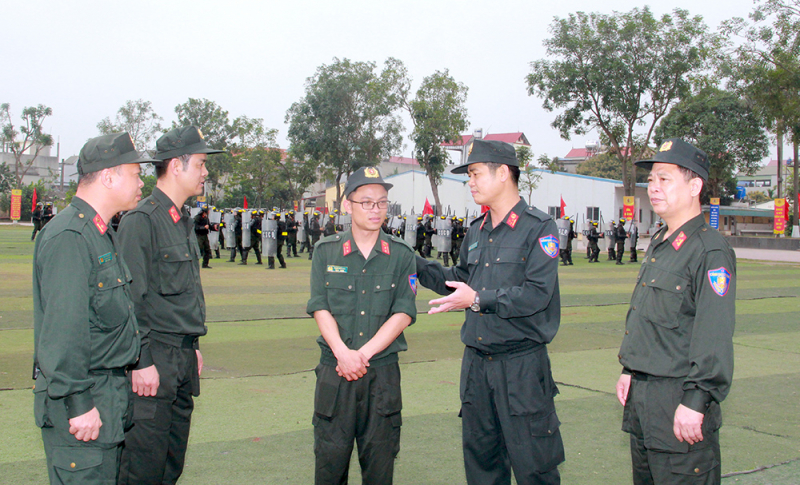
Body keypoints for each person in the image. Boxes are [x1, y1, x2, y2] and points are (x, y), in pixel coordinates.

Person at [416, 139, 565, 485]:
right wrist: (413, 263)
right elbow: (459, 280)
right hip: (477, 367)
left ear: (503, 174)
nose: (470, 182)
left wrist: (478, 300)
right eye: (468, 175)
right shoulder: (476, 230)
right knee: (482, 467)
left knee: (535, 468)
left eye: (475, 173)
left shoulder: (538, 227)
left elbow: (536, 294)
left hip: (520, 367)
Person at [32, 132, 152, 484]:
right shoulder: (71, 236)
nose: (141, 182)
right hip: (83, 405)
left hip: (106, 396)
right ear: (109, 176)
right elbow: (63, 332)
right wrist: (79, 403)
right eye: (135, 173)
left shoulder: (99, 233)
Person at [616, 138, 736, 485]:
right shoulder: (661, 242)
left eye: (664, 179)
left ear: (694, 186)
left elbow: (714, 332)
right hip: (644, 398)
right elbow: (649, 317)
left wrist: (696, 401)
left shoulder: (709, 250)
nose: (653, 187)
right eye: (651, 179)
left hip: (679, 400)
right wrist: (630, 368)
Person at [116, 126, 223, 485]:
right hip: (154, 360)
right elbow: (129, 302)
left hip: (181, 358)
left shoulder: (180, 220)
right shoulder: (142, 221)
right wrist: (140, 361)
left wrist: (193, 345)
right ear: (177, 166)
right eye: (201, 163)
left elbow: (183, 295)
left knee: (169, 467)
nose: (205, 172)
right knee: (142, 469)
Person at [307, 166, 417, 485]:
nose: (375, 210)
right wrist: (343, 354)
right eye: (366, 202)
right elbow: (319, 306)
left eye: (381, 202)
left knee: (380, 470)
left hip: (381, 376)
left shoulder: (402, 255)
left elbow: (403, 313)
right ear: (348, 205)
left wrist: (361, 356)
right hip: (335, 374)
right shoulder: (326, 251)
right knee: (329, 468)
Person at [194, 204, 212, 268]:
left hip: (205, 235)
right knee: (198, 249)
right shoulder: (197, 217)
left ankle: (205, 264)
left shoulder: (206, 218)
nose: (209, 211)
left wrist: (214, 227)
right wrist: (203, 227)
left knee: (207, 250)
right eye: (208, 210)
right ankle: (194, 264)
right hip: (199, 236)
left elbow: (209, 226)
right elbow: (195, 227)